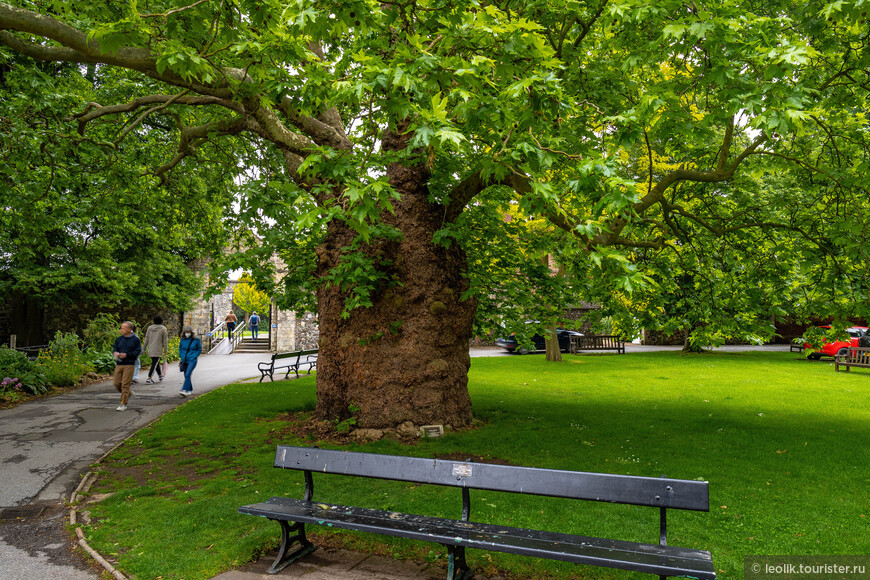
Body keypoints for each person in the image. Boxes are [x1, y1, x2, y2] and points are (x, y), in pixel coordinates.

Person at [112, 321, 141, 411]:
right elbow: (115, 347)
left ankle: (123, 403)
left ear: (129, 329)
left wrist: (127, 355)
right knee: (116, 383)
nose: (121, 329)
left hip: (129, 364)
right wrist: (115, 352)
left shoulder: (135, 340)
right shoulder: (119, 339)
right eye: (121, 328)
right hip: (119, 364)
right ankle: (128, 393)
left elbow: (138, 351)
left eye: (123, 328)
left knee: (125, 384)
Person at [143, 315, 169, 383]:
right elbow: (165, 341)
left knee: (155, 362)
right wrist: (166, 350)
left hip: (151, 348)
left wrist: (144, 348)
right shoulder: (163, 329)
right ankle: (149, 378)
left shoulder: (149, 328)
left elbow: (146, 338)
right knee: (155, 363)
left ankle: (160, 376)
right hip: (158, 348)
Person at [178, 326, 202, 397]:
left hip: (192, 360)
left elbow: (199, 349)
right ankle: (190, 389)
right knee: (186, 375)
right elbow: (180, 348)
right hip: (184, 359)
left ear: (191, 333)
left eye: (188, 332)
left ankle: (184, 389)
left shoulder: (196, 340)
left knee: (188, 374)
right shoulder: (182, 340)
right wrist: (181, 355)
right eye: (186, 332)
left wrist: (195, 355)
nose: (187, 333)